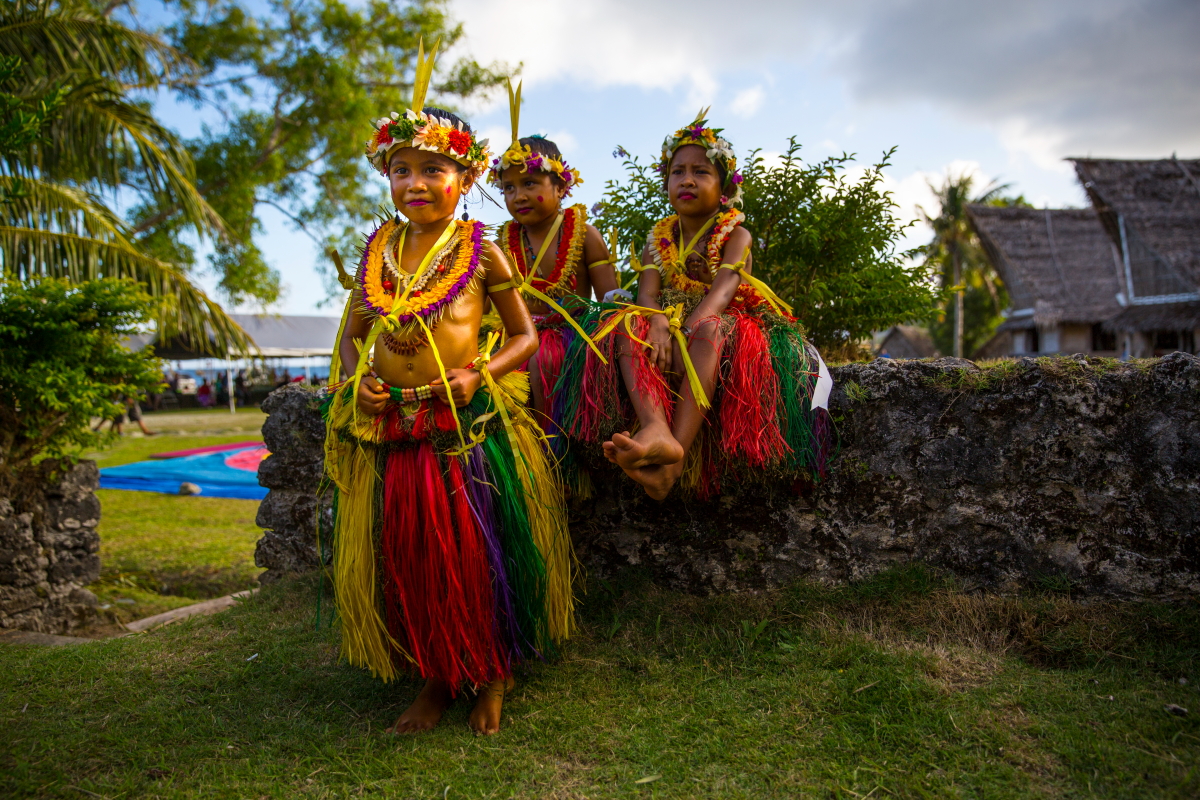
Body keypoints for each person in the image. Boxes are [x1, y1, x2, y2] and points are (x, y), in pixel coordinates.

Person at [323, 43, 573, 737]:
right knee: (416, 555)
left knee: (474, 552)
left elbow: (523, 337)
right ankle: (434, 677)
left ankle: (492, 674)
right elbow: (350, 339)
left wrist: (478, 373)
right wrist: (358, 383)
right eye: (400, 170)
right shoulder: (378, 252)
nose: (415, 183)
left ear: (464, 176)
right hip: (395, 431)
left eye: (432, 169)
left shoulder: (480, 247)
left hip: (466, 431)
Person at [557, 112, 833, 500]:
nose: (686, 179)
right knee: (623, 325)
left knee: (708, 329)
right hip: (666, 317)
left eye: (701, 172)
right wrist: (654, 323)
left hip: (718, 322)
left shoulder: (737, 234)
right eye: (677, 172)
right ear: (666, 181)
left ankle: (676, 454)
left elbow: (721, 294)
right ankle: (654, 426)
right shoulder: (659, 236)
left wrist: (682, 329)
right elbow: (648, 293)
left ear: (723, 187)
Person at [487, 81, 621, 430]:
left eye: (530, 184)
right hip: (516, 337)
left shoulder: (584, 234)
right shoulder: (502, 241)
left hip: (571, 337)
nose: (518, 196)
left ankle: (557, 448)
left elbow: (611, 300)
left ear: (561, 187)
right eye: (509, 188)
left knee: (545, 357)